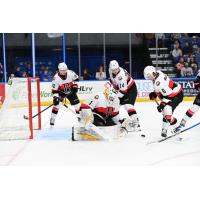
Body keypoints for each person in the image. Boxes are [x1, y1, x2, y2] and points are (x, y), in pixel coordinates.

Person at [144, 65, 183, 137]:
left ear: (153, 73)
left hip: (176, 95)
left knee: (167, 109)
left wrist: (162, 104)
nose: (148, 78)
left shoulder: (158, 83)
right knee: (166, 112)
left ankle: (173, 128)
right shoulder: (158, 73)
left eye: (149, 75)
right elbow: (162, 89)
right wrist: (155, 93)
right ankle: (170, 128)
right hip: (172, 92)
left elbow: (169, 96)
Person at [108, 60, 141, 131]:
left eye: (116, 69)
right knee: (114, 106)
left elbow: (123, 92)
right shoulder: (110, 70)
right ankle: (116, 121)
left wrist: (114, 97)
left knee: (128, 105)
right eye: (113, 70)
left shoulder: (121, 76)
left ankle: (136, 124)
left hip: (130, 90)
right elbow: (112, 81)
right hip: (122, 89)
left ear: (118, 67)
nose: (115, 71)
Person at [50, 62, 80, 126]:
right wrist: (55, 98)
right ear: (59, 70)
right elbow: (54, 90)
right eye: (62, 70)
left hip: (71, 91)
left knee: (77, 105)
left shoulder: (71, 73)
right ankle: (52, 118)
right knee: (56, 106)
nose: (64, 72)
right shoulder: (55, 78)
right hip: (61, 93)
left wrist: (75, 86)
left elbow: (77, 79)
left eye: (65, 70)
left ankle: (79, 118)